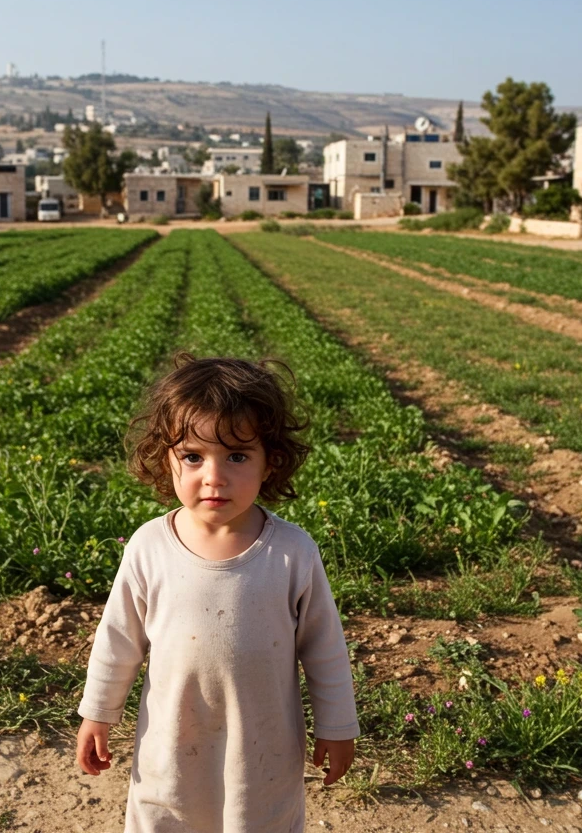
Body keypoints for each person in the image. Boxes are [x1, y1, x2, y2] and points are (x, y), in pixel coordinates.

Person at [76, 353, 360, 833]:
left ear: (270, 461)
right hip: (169, 749)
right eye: (193, 456)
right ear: (164, 459)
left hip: (262, 750)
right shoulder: (149, 547)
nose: (214, 476)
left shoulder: (292, 552)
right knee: (167, 818)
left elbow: (325, 649)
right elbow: (117, 641)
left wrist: (337, 727)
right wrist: (98, 714)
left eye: (236, 456)